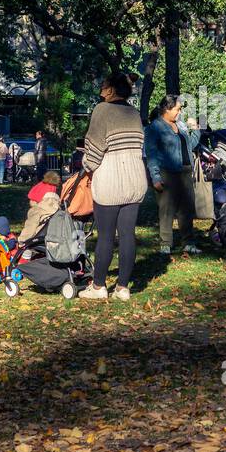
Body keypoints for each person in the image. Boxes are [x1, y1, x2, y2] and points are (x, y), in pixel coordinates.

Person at [80, 73, 147, 300]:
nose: (100, 88)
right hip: (135, 179)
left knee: (106, 236)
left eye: (103, 85)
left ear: (110, 90)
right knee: (127, 234)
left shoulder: (102, 110)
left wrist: (86, 165)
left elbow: (94, 149)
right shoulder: (134, 113)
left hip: (110, 180)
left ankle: (99, 286)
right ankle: (123, 287)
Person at [145, 94, 200, 255]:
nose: (179, 112)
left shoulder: (181, 126)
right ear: (166, 109)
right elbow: (151, 154)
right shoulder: (155, 127)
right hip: (166, 172)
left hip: (185, 171)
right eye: (177, 109)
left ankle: (188, 242)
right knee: (166, 209)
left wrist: (196, 130)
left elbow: (190, 146)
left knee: (187, 209)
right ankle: (166, 243)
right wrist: (155, 177)